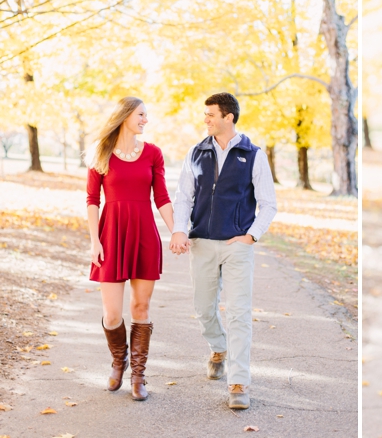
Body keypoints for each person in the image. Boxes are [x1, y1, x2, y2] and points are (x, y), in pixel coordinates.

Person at [169, 92, 277, 410]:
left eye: (211, 114)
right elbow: (183, 196)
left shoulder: (253, 154)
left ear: (228, 117)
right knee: (204, 309)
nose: (206, 119)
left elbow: (269, 204)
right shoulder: (196, 151)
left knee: (240, 313)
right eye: (205, 115)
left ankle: (239, 382)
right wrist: (179, 228)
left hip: (236, 247)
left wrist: (251, 237)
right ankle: (219, 347)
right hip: (202, 242)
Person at [86, 96, 175, 401]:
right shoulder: (103, 153)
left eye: (146, 115)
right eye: (141, 114)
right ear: (125, 116)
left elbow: (161, 197)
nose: (145, 119)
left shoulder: (153, 153)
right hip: (110, 235)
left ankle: (138, 375)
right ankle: (118, 361)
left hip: (143, 235)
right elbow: (92, 200)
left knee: (140, 308)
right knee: (111, 314)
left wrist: (177, 229)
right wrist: (95, 240)